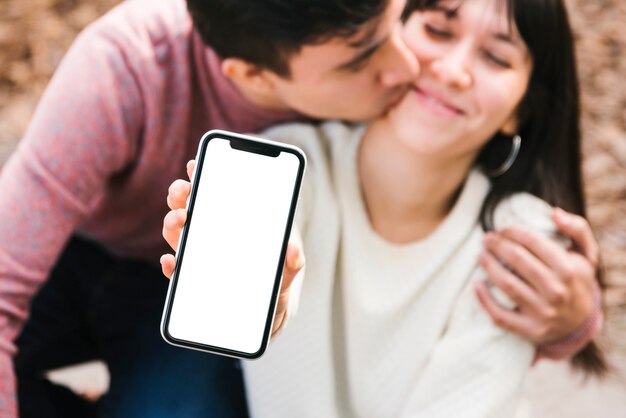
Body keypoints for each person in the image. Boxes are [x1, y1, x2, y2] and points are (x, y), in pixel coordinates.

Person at [0, 0, 599, 416]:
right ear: (256, 78)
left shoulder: (512, 230)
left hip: (172, 309)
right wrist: (273, 299)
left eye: (497, 57)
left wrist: (571, 321)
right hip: (76, 260)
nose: (424, 67)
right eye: (362, 57)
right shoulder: (131, 71)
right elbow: (290, 248)